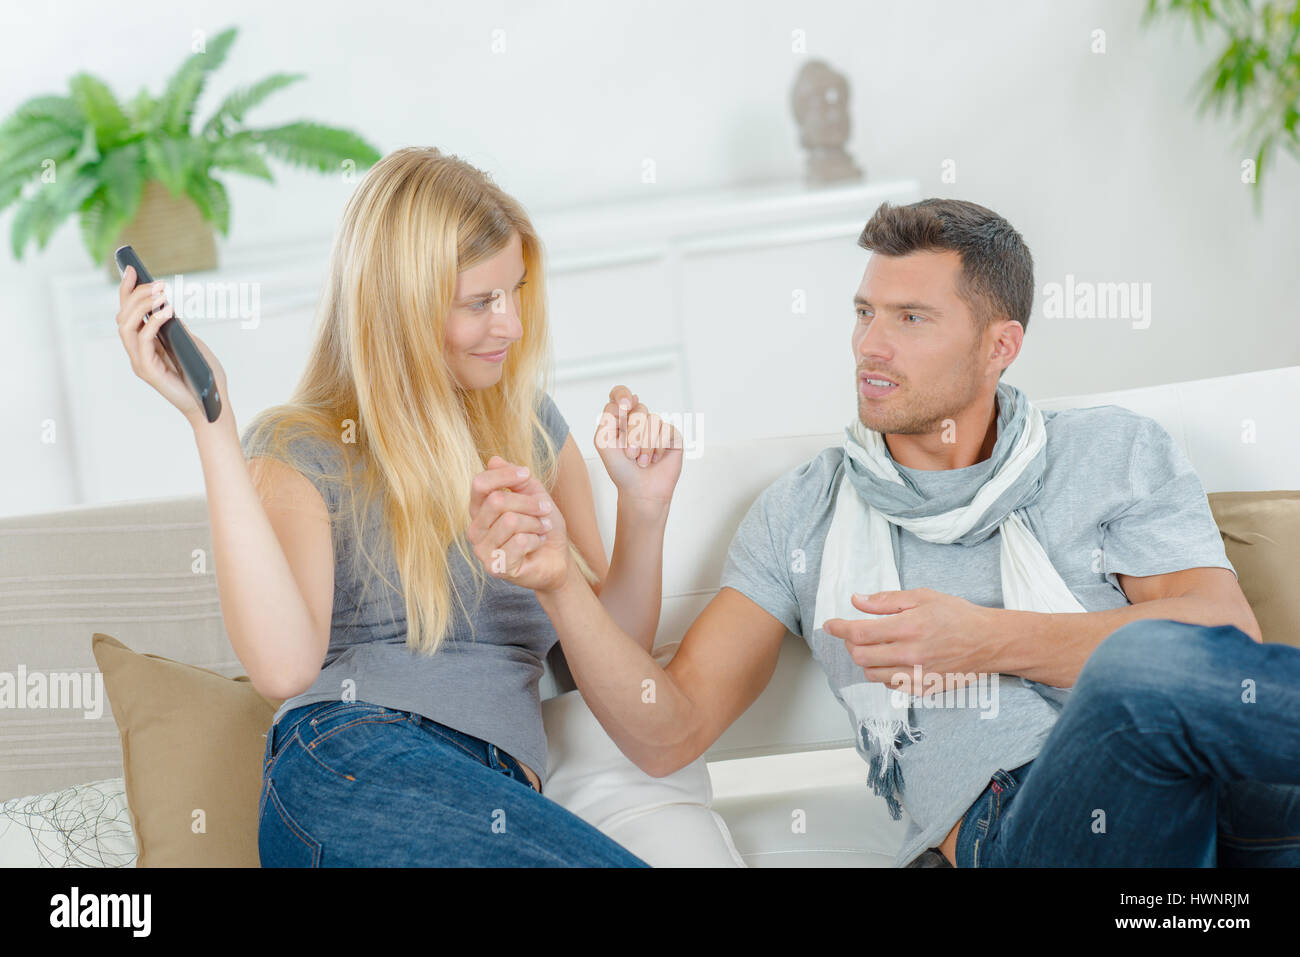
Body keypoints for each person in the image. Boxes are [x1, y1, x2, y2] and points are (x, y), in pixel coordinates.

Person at [476, 198, 1300, 868]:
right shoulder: (804, 512)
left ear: (998, 346)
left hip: (1229, 802)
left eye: (910, 318)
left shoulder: (1112, 451)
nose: (870, 345)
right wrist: (564, 576)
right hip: (1027, 830)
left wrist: (982, 640)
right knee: (1134, 678)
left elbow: (1222, 640)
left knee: (1159, 680)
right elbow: (671, 729)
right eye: (865, 312)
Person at [112, 145, 684, 866]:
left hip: (494, 791)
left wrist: (643, 508)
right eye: (481, 302)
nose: (509, 324)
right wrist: (213, 427)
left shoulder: (532, 429)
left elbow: (611, 661)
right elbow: (284, 668)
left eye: (515, 291)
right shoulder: (303, 447)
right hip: (352, 759)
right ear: (403, 311)